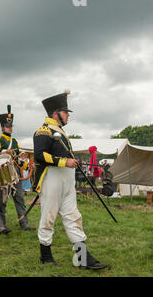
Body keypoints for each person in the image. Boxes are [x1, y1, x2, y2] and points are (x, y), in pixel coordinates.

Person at [33, 90, 107, 270]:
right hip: (51, 179)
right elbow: (39, 155)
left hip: (66, 180)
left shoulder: (59, 132)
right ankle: (45, 256)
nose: (68, 116)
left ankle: (83, 258)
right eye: (65, 112)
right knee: (48, 217)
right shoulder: (43, 131)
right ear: (55, 113)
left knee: (74, 217)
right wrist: (64, 161)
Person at [0, 105, 35, 232]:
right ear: (2, 128)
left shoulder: (15, 142)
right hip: (3, 175)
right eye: (7, 127)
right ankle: (2, 225)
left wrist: (27, 165)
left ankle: (24, 223)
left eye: (11, 126)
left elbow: (18, 159)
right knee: (2, 201)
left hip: (15, 174)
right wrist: (5, 152)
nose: (10, 129)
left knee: (20, 199)